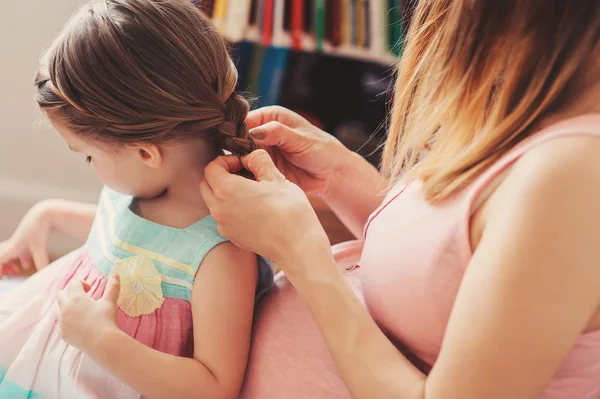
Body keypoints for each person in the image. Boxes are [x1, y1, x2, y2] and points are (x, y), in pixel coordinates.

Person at [201, 1, 599, 399]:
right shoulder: (538, 121)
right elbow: (449, 273)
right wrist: (340, 177)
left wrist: (301, 255)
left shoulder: (577, 173)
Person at [0, 1, 272, 398]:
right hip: (45, 358)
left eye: (90, 155)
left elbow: (216, 386)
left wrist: (101, 341)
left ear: (146, 153)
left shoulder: (222, 251)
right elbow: (127, 243)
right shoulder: (137, 184)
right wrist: (47, 216)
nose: (90, 166)